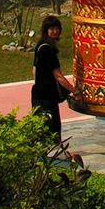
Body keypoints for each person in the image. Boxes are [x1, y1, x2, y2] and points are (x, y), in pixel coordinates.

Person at [31, 15, 77, 147]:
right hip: (47, 96)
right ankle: (55, 153)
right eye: (51, 29)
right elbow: (58, 76)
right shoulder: (48, 50)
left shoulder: (39, 46)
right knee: (52, 127)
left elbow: (34, 71)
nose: (55, 31)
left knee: (40, 125)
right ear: (46, 30)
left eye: (57, 28)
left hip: (37, 94)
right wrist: (74, 91)